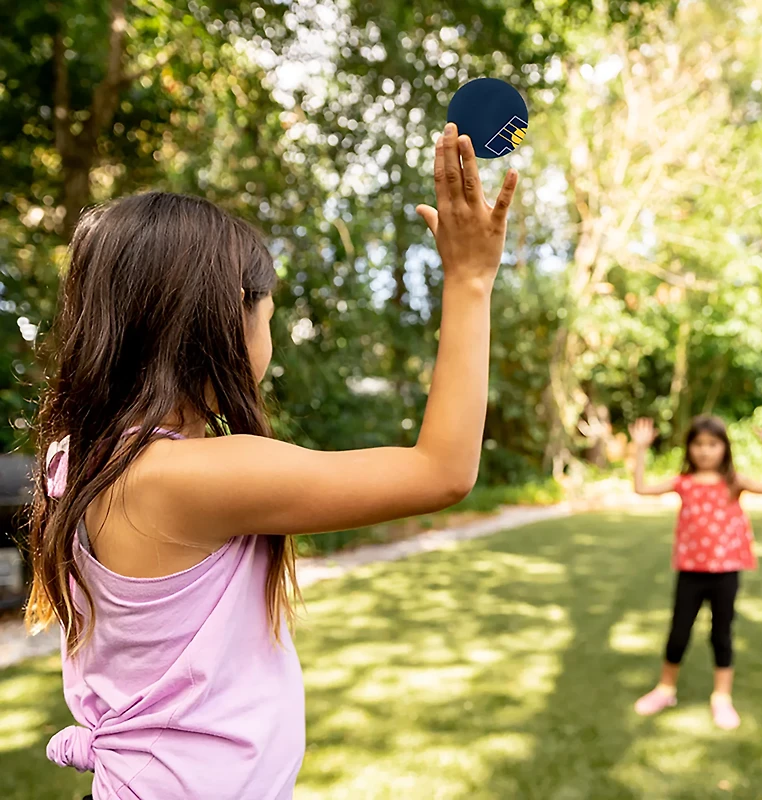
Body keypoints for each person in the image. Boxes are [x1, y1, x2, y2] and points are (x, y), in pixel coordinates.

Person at [25, 123, 518, 800]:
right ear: (228, 318)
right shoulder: (183, 478)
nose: (272, 339)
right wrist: (469, 280)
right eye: (269, 317)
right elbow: (443, 471)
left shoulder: (89, 459)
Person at [629, 414, 762, 730]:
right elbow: (641, 488)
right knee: (678, 632)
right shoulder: (683, 482)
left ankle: (722, 697)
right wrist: (640, 449)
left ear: (724, 447)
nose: (705, 450)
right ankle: (665, 689)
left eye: (712, 444)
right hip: (691, 572)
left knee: (721, 634)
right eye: (698, 444)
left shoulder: (733, 482)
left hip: (726, 573)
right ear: (689, 448)